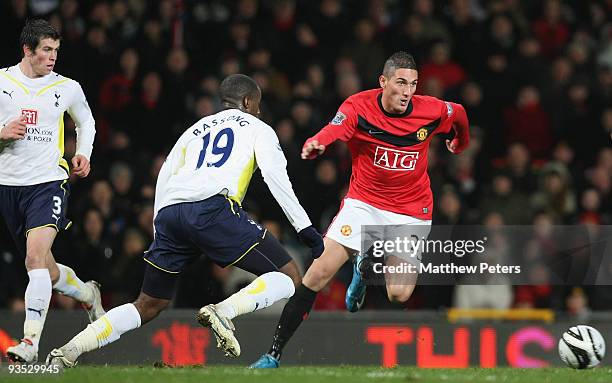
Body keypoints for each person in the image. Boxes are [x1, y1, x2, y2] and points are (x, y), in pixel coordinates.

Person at [46, 73, 324, 367]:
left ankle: (69, 351)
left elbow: (165, 174)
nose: (258, 109)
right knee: (290, 275)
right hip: (212, 210)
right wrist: (305, 229)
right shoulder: (259, 128)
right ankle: (224, 311)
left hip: (170, 213)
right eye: (257, 104)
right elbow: (277, 180)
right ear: (247, 101)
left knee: (149, 303)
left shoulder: (195, 129)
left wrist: (158, 226)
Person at [250, 51, 470, 368]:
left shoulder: (431, 110)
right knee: (318, 273)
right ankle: (272, 354)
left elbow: (459, 114)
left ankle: (364, 268)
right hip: (364, 204)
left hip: (410, 212)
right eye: (400, 83)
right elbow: (336, 128)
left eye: (413, 84)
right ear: (383, 82)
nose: (408, 91)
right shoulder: (358, 106)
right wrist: (318, 141)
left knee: (399, 294)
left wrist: (458, 144)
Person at [0, 19, 103, 364]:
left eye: (56, 50)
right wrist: (2, 133)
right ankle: (88, 293)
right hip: (8, 186)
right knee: (45, 268)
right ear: (27, 50)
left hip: (48, 182)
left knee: (34, 257)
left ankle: (30, 342)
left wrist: (83, 153)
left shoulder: (67, 88)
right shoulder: (2, 81)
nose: (52, 57)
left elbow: (86, 121)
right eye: (46, 50)